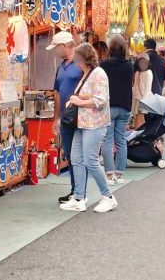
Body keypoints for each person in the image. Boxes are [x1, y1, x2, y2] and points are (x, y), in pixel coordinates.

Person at [59, 43, 118, 213]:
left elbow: (101, 100)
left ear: (84, 59)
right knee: (77, 158)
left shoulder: (98, 73)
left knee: (91, 161)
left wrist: (79, 101)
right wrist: (76, 99)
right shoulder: (87, 74)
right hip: (82, 123)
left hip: (94, 124)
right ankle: (78, 197)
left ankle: (108, 196)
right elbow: (91, 96)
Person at [48, 31, 83, 204]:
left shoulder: (80, 63)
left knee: (79, 155)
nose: (55, 51)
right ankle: (75, 191)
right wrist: (56, 117)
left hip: (81, 115)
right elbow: (56, 92)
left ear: (64, 46)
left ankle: (79, 192)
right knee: (69, 153)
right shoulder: (61, 66)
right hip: (66, 117)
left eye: (56, 47)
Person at [101, 34, 135, 185]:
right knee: (121, 140)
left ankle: (109, 175)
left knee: (107, 140)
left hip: (109, 105)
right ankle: (119, 174)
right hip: (125, 105)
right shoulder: (129, 65)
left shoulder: (104, 65)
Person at [132, 54, 153, 129]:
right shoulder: (137, 72)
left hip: (143, 99)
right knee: (139, 119)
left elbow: (148, 89)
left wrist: (143, 103)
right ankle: (140, 135)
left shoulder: (148, 72)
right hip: (136, 99)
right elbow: (135, 87)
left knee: (139, 119)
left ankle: (138, 135)